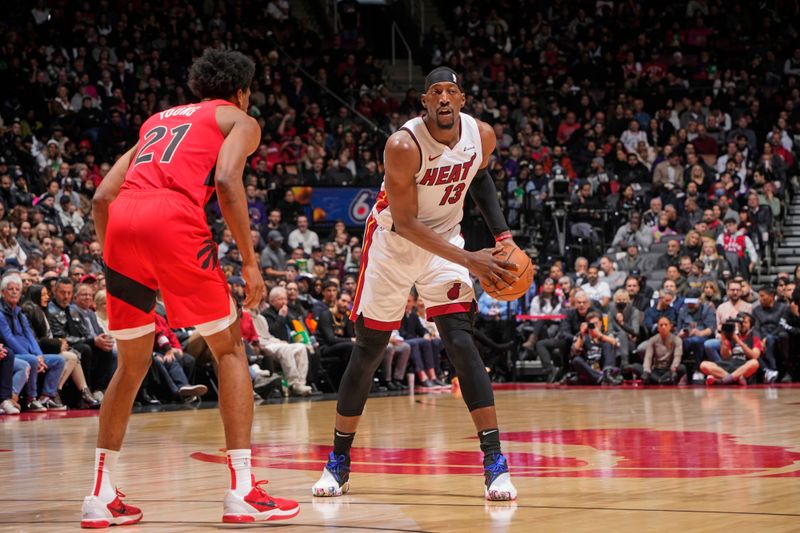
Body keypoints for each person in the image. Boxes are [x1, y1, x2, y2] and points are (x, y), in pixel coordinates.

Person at [82, 50, 298, 527]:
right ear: (242, 90)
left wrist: (117, 256)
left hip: (122, 225)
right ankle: (242, 490)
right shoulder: (239, 119)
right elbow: (225, 179)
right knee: (230, 349)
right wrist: (249, 261)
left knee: (131, 364)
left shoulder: (156, 121)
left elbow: (102, 196)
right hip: (173, 219)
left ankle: (100, 496)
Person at [312, 67, 519, 502]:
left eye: (452, 92)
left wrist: (504, 238)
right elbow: (406, 222)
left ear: (462, 99)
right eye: (435, 93)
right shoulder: (403, 145)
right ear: (424, 102)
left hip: (447, 241)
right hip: (394, 242)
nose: (444, 99)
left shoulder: (481, 135)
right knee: (369, 350)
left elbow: (478, 177)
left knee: (460, 341)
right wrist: (471, 261)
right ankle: (339, 461)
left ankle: (495, 462)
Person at [0, 274, 66, 411]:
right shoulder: (0, 314)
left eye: (17, 289)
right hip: (16, 354)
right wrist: (34, 358)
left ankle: (46, 397)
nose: (14, 292)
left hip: (31, 355)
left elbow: (31, 337)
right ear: (2, 292)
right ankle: (31, 399)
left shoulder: (20, 314)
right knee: (31, 360)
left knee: (59, 360)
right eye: (10, 289)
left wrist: (40, 355)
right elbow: (9, 339)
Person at [701, 312, 761, 385]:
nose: (742, 325)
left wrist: (739, 341)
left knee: (755, 363)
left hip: (743, 365)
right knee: (703, 365)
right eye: (740, 322)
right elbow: (726, 357)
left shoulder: (755, 338)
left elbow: (754, 356)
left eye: (745, 322)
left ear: (751, 325)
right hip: (730, 363)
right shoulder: (731, 336)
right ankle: (733, 379)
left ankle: (722, 380)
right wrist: (723, 341)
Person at [569, 311, 622, 385]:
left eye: (596, 323)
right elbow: (574, 350)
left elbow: (616, 343)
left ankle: (606, 374)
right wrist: (582, 334)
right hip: (589, 367)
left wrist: (600, 336)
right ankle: (600, 378)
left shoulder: (607, 334)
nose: (594, 326)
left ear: (601, 323)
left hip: (604, 365)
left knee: (608, 344)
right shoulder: (581, 335)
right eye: (591, 324)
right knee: (576, 360)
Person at [634, 316, 686, 385]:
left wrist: (674, 368)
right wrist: (646, 370)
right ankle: (661, 381)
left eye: (666, 325)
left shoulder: (677, 340)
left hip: (669, 370)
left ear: (670, 326)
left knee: (682, 368)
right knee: (636, 366)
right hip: (656, 370)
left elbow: (677, 356)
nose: (663, 327)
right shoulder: (652, 340)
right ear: (658, 328)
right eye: (661, 325)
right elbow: (648, 358)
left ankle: (661, 380)